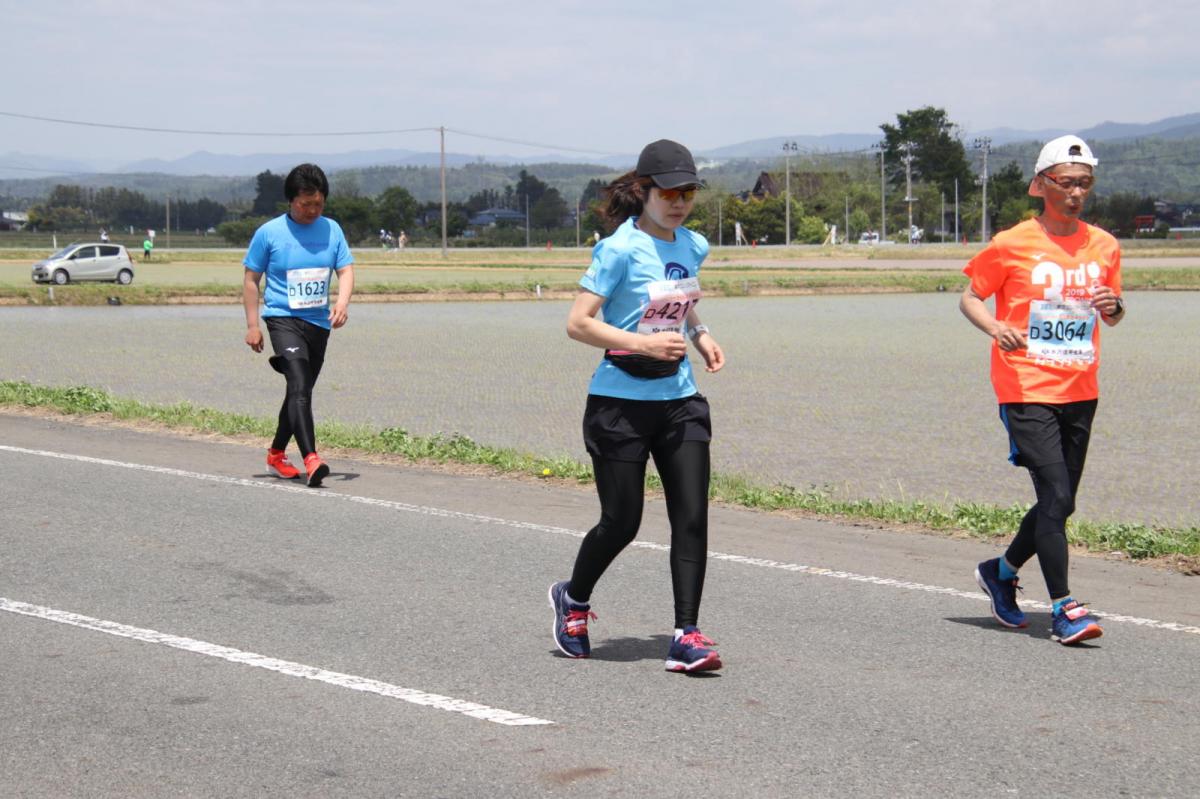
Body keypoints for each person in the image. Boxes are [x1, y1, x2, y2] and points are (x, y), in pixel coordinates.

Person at [548, 139, 726, 673]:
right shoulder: (618, 249)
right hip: (619, 403)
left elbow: (681, 299)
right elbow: (578, 323)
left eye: (688, 192)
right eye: (669, 192)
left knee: (691, 517)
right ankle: (573, 599)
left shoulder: (692, 245)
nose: (679, 202)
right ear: (644, 192)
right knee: (621, 522)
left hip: (679, 400)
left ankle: (686, 635)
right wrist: (644, 344)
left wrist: (701, 333)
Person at [960, 135, 1125, 645]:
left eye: (1084, 184)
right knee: (1054, 493)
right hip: (1026, 384)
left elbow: (1115, 313)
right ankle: (1064, 607)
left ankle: (1001, 572)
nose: (1076, 193)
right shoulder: (1011, 243)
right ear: (1042, 185)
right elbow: (970, 297)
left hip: (1080, 385)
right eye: (1067, 183)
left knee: (1063, 501)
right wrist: (994, 328)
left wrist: (1113, 307)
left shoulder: (1105, 245)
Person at [242, 163, 355, 488]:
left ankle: (276, 455)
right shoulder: (269, 233)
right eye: (305, 204)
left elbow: (345, 270)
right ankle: (311, 458)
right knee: (300, 383)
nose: (311, 210)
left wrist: (342, 304)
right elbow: (251, 279)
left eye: (318, 204)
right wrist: (253, 325)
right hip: (282, 319)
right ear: (291, 201)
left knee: (299, 389)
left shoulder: (332, 230)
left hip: (318, 324)